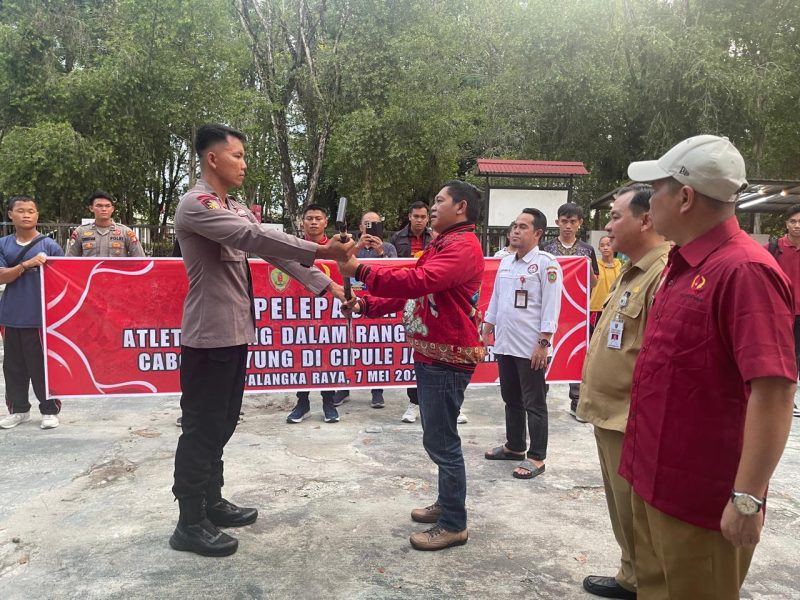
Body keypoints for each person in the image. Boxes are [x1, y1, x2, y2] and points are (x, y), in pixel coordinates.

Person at [619, 135, 796, 597]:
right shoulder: (682, 265)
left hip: (701, 500)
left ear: (685, 196)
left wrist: (747, 497)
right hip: (653, 480)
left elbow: (774, 392)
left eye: (654, 189)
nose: (647, 201)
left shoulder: (743, 271)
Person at [170, 123, 352, 557]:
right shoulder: (196, 204)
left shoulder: (233, 205)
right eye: (237, 156)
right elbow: (252, 238)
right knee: (201, 427)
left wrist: (331, 288)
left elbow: (274, 251)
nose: (244, 164)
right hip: (208, 336)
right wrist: (326, 251)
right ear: (212, 158)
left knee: (225, 421)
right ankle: (189, 522)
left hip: (234, 332)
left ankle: (212, 502)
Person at [338, 181, 484, 551]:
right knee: (437, 438)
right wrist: (367, 304)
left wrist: (362, 272)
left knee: (443, 442)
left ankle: (454, 523)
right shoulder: (443, 244)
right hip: (433, 354)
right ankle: (446, 504)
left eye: (439, 201)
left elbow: (420, 281)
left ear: (461, 206)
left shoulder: (462, 247)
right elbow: (415, 294)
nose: (433, 207)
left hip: (447, 358)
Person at [576, 184, 669, 600]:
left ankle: (646, 584)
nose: (607, 227)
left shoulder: (663, 272)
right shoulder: (636, 268)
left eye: (615, 216)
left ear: (646, 220)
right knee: (623, 511)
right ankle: (631, 576)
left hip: (631, 417)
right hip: (610, 413)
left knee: (640, 518)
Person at [482, 208, 562, 480]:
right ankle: (515, 447)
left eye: (523, 227)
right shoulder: (505, 261)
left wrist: (543, 343)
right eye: (515, 225)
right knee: (511, 399)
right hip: (505, 343)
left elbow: (552, 307)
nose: (516, 230)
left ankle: (537, 457)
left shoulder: (546, 263)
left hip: (530, 348)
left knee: (534, 402)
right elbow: (496, 297)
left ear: (538, 233)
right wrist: (487, 325)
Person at [0, 196, 64, 430]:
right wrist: (26, 265)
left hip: (43, 318)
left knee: (42, 366)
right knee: (13, 367)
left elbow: (65, 280)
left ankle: (49, 410)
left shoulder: (49, 246)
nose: (26, 215)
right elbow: (1, 276)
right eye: (21, 211)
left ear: (37, 215)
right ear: (10, 214)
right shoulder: (3, 244)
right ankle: (18, 410)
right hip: (10, 316)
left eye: (31, 211)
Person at [332, 211, 397, 409]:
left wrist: (380, 254)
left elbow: (394, 272)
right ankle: (345, 387)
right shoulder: (351, 246)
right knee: (348, 345)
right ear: (360, 227)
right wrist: (358, 246)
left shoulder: (389, 248)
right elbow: (341, 263)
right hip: (352, 299)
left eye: (375, 225)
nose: (370, 228)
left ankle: (377, 390)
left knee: (376, 347)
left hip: (376, 302)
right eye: (367, 224)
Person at [541, 203, 599, 419]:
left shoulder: (587, 250)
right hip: (550, 309)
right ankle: (540, 396)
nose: (568, 226)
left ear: (580, 223)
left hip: (576, 312)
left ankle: (576, 401)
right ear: (557, 222)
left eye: (572, 222)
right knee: (545, 350)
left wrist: (584, 267)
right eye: (564, 221)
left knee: (576, 354)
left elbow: (594, 282)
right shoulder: (545, 248)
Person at [286, 204, 342, 424]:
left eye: (318, 218)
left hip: (329, 311)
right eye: (309, 218)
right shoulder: (291, 247)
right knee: (301, 355)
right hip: (299, 310)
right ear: (302, 223)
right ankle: (302, 403)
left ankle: (329, 402)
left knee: (327, 356)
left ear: (326, 222)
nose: (313, 222)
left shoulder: (335, 247)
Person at [390, 201, 434, 423]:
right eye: (415, 216)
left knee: (432, 353)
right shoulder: (396, 239)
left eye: (423, 216)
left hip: (431, 298)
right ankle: (413, 402)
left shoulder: (435, 238)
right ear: (409, 216)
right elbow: (389, 267)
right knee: (411, 352)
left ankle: (447, 406)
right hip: (406, 297)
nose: (419, 220)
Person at [765, 204, 800, 418]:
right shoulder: (772, 249)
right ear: (786, 224)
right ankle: (784, 398)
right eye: (793, 221)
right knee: (783, 356)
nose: (797, 226)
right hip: (781, 313)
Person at [65, 191, 145, 257]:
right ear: (91, 208)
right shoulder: (80, 232)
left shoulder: (125, 232)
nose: (104, 209)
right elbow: (69, 260)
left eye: (107, 206)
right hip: (90, 275)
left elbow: (141, 259)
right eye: (99, 206)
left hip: (117, 275)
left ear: (112, 209)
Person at [589, 235, 622, 329]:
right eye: (602, 245)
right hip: (596, 309)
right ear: (599, 248)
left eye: (608, 244)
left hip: (616, 309)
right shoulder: (594, 266)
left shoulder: (621, 266)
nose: (605, 248)